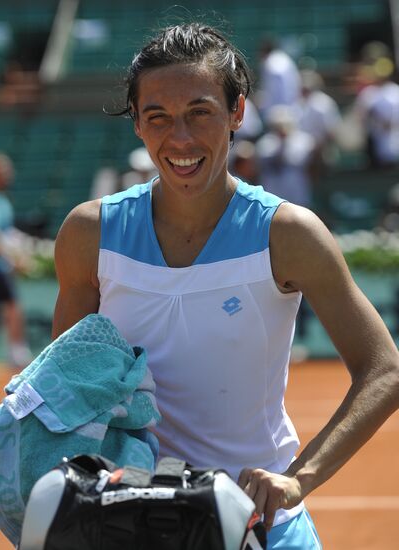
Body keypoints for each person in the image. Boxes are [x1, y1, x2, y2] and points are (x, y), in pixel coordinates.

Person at [52, 23, 399, 549]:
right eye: (159, 117)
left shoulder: (289, 234)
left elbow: (385, 369)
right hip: (134, 531)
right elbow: (66, 394)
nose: (182, 138)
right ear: (138, 127)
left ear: (237, 113)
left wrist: (297, 480)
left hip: (265, 530)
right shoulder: (88, 234)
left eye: (200, 112)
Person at [0, 153, 32, 369]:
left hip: (2, 265)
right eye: (3, 172)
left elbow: (6, 232)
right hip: (1, 266)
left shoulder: (4, 201)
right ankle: (18, 352)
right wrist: (13, 259)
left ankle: (16, 352)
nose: (7, 176)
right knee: (13, 307)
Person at [256, 105, 316, 207]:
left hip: (296, 184)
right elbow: (265, 161)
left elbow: (303, 161)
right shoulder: (266, 141)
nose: (282, 128)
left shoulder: (302, 140)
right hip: (273, 186)